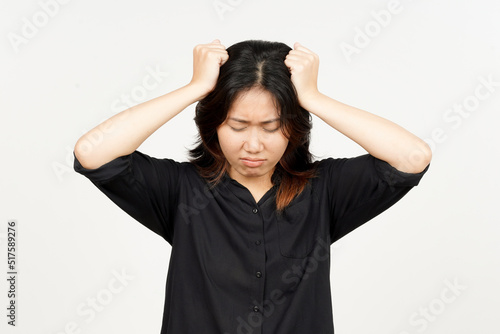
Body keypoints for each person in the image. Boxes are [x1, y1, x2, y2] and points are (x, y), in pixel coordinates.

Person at [73, 39, 431, 334]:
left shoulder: (324, 192)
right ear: (212, 126)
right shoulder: (181, 192)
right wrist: (195, 88)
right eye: (238, 126)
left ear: (294, 128)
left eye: (272, 127)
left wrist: (313, 98)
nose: (254, 145)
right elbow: (92, 153)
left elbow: (412, 157)